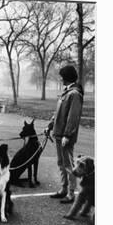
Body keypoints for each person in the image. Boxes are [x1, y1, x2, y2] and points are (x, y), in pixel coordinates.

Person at [45, 65, 84, 205]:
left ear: (66, 77)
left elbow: (73, 117)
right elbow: (58, 113)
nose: (60, 78)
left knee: (68, 165)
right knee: (61, 163)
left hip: (65, 136)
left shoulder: (74, 94)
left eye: (61, 76)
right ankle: (63, 189)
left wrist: (67, 135)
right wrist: (50, 125)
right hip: (58, 134)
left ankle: (71, 193)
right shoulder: (65, 92)